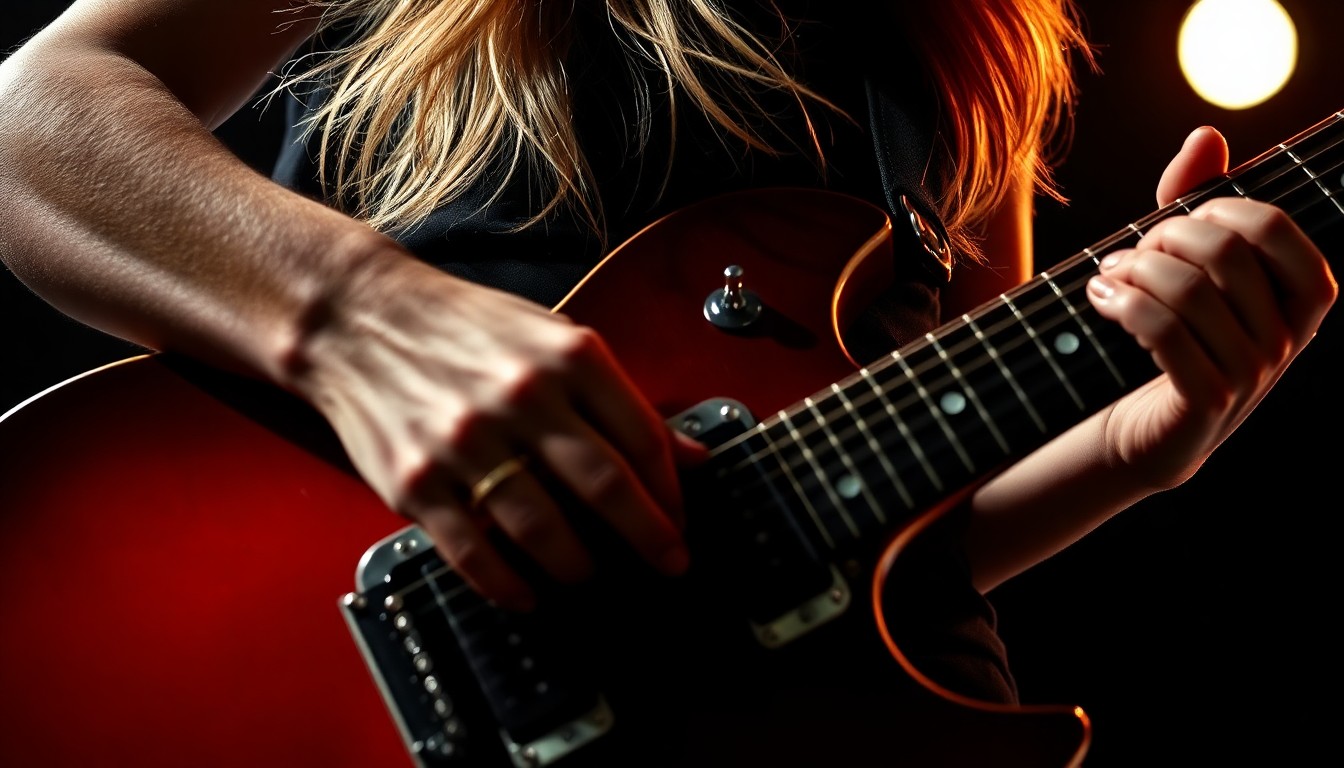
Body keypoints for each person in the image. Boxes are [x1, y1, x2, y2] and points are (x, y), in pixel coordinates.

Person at [0, 0, 1335, 762]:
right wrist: (362, 319)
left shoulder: (981, 39)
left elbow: (932, 508)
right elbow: (33, 122)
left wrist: (1142, 441)